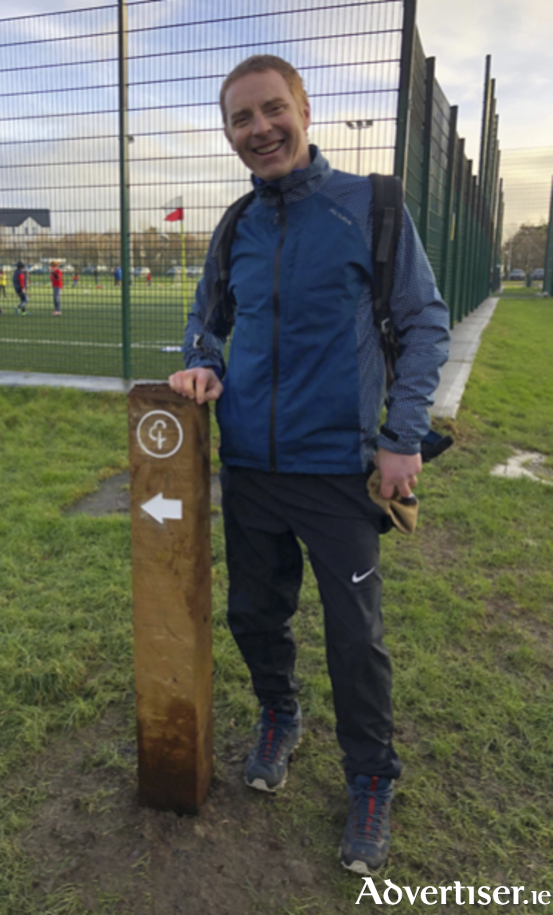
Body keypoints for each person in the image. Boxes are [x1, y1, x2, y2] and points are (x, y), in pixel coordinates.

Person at [168, 55, 450, 876]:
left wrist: (401, 435)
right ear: (229, 133)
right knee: (254, 614)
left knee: (355, 637)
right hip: (250, 468)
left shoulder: (371, 206)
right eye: (241, 119)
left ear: (304, 109)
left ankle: (371, 777)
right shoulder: (236, 226)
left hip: (337, 468)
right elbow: (206, 319)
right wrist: (201, 362)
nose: (259, 129)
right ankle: (278, 713)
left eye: (272, 109)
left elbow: (424, 322)